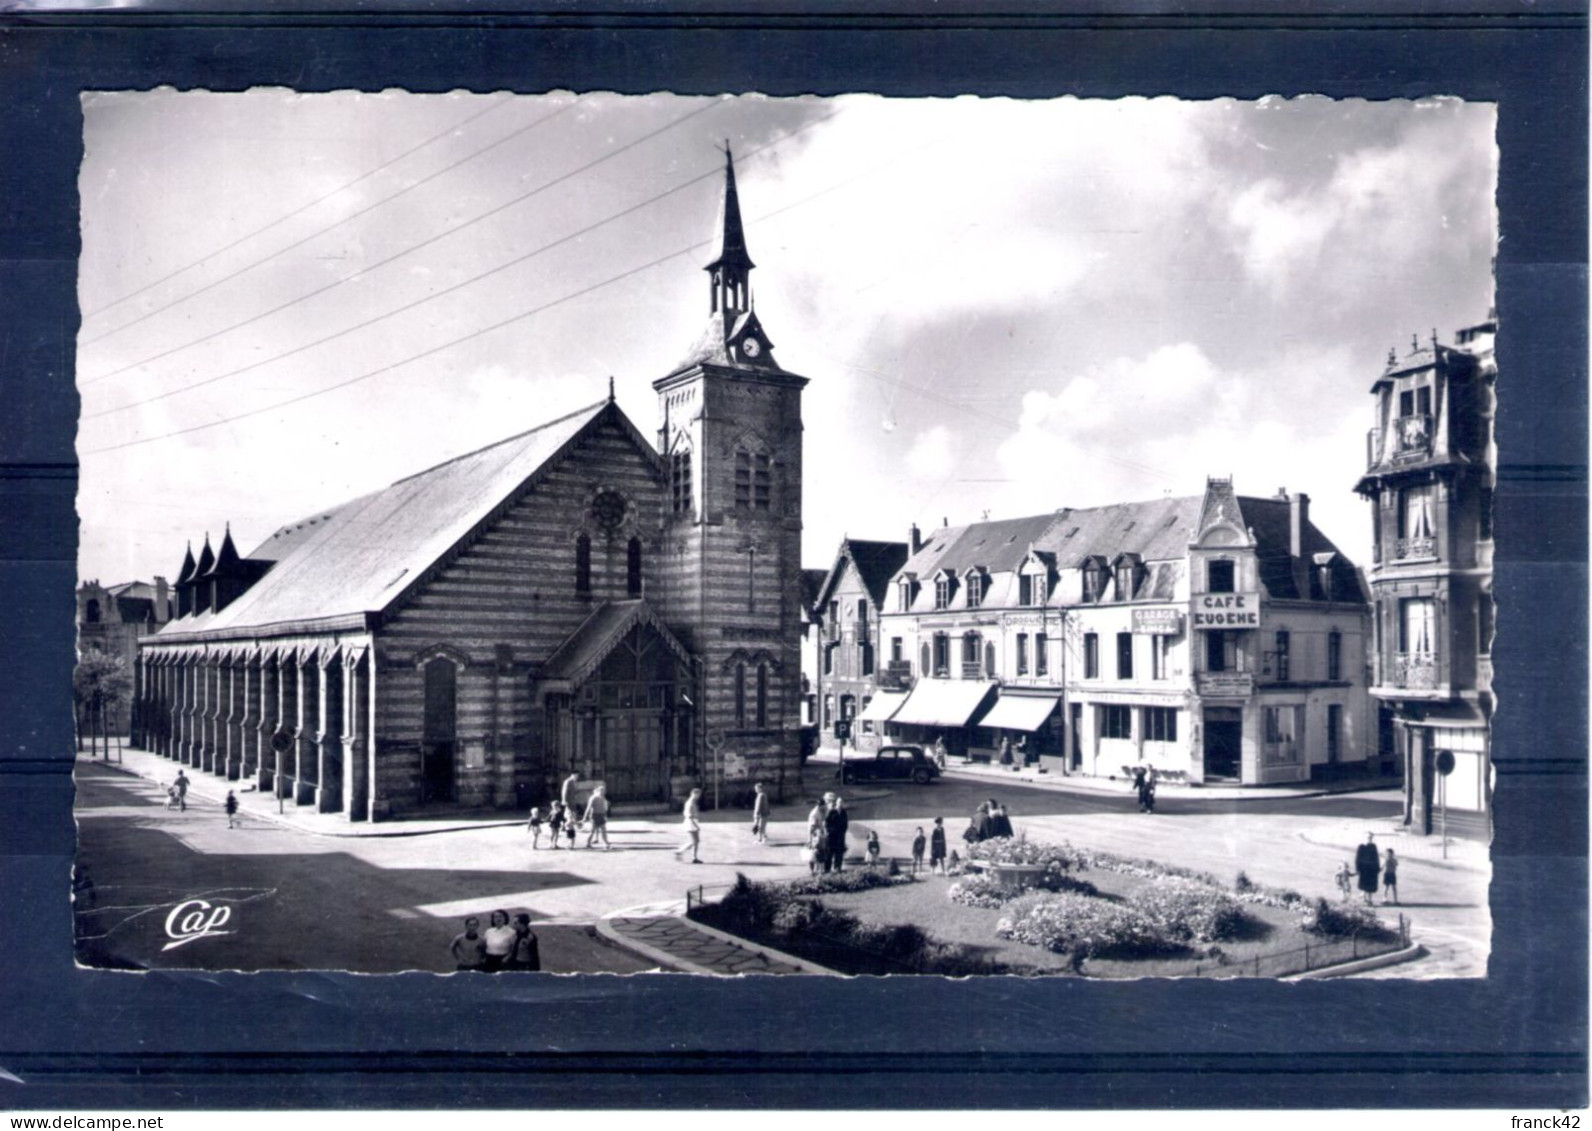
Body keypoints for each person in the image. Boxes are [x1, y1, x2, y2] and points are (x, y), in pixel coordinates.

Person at [674, 788, 702, 864]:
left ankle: (694, 857)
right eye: (698, 794)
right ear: (693, 794)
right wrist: (696, 825)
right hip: (691, 822)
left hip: (692, 822)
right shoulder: (690, 803)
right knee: (694, 841)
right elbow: (689, 815)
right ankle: (680, 851)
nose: (698, 796)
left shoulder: (692, 802)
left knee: (696, 841)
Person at [1354, 832, 1382, 905]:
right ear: (1364, 838)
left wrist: (1377, 867)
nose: (1369, 839)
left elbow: (1376, 858)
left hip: (1371, 869)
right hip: (1364, 869)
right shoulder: (1361, 846)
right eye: (1368, 837)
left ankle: (1370, 900)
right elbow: (1357, 858)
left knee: (1370, 885)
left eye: (1370, 837)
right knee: (1364, 884)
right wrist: (1357, 868)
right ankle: (1365, 898)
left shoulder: (1373, 846)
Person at [824, 796, 849, 873]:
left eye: (842, 803)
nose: (841, 804)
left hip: (840, 836)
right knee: (830, 853)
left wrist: (843, 832)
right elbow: (827, 823)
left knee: (839, 853)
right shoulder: (832, 811)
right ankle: (827, 869)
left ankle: (837, 868)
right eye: (839, 802)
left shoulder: (844, 812)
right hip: (832, 836)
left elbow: (846, 824)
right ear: (836, 803)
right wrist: (830, 831)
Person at [583, 786, 611, 850]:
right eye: (602, 791)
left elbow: (604, 808)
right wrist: (585, 817)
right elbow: (588, 808)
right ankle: (588, 843)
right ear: (598, 791)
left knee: (603, 830)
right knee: (592, 831)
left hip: (601, 815)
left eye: (604, 791)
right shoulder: (593, 798)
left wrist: (605, 816)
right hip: (594, 816)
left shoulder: (603, 798)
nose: (603, 792)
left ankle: (606, 843)